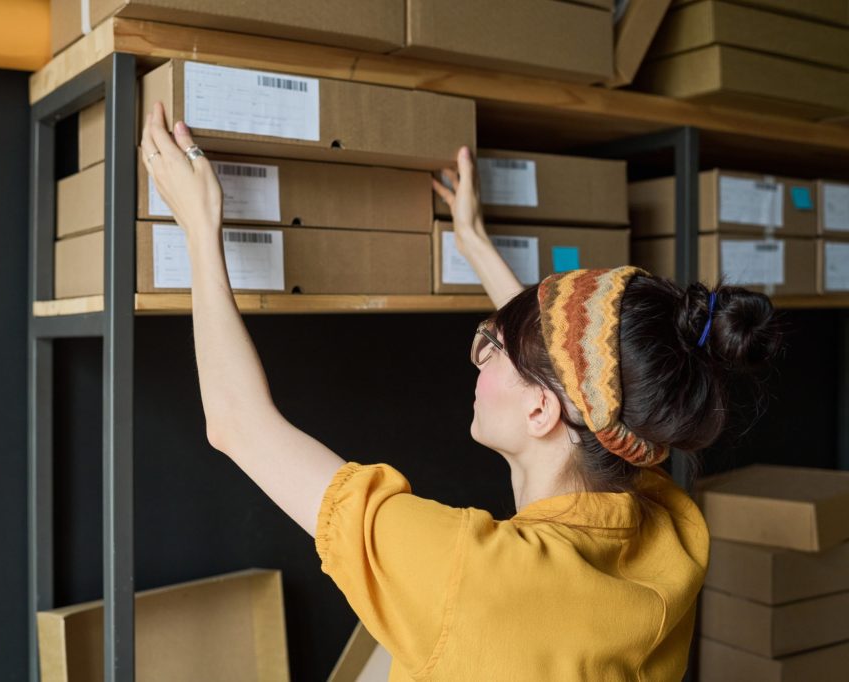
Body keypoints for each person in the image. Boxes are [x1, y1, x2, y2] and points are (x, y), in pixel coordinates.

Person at [140, 105, 783, 681]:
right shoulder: (669, 524)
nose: (476, 357)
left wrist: (200, 224)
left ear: (542, 409)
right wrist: (474, 243)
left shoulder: (469, 576)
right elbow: (581, 380)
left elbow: (236, 423)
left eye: (495, 350)